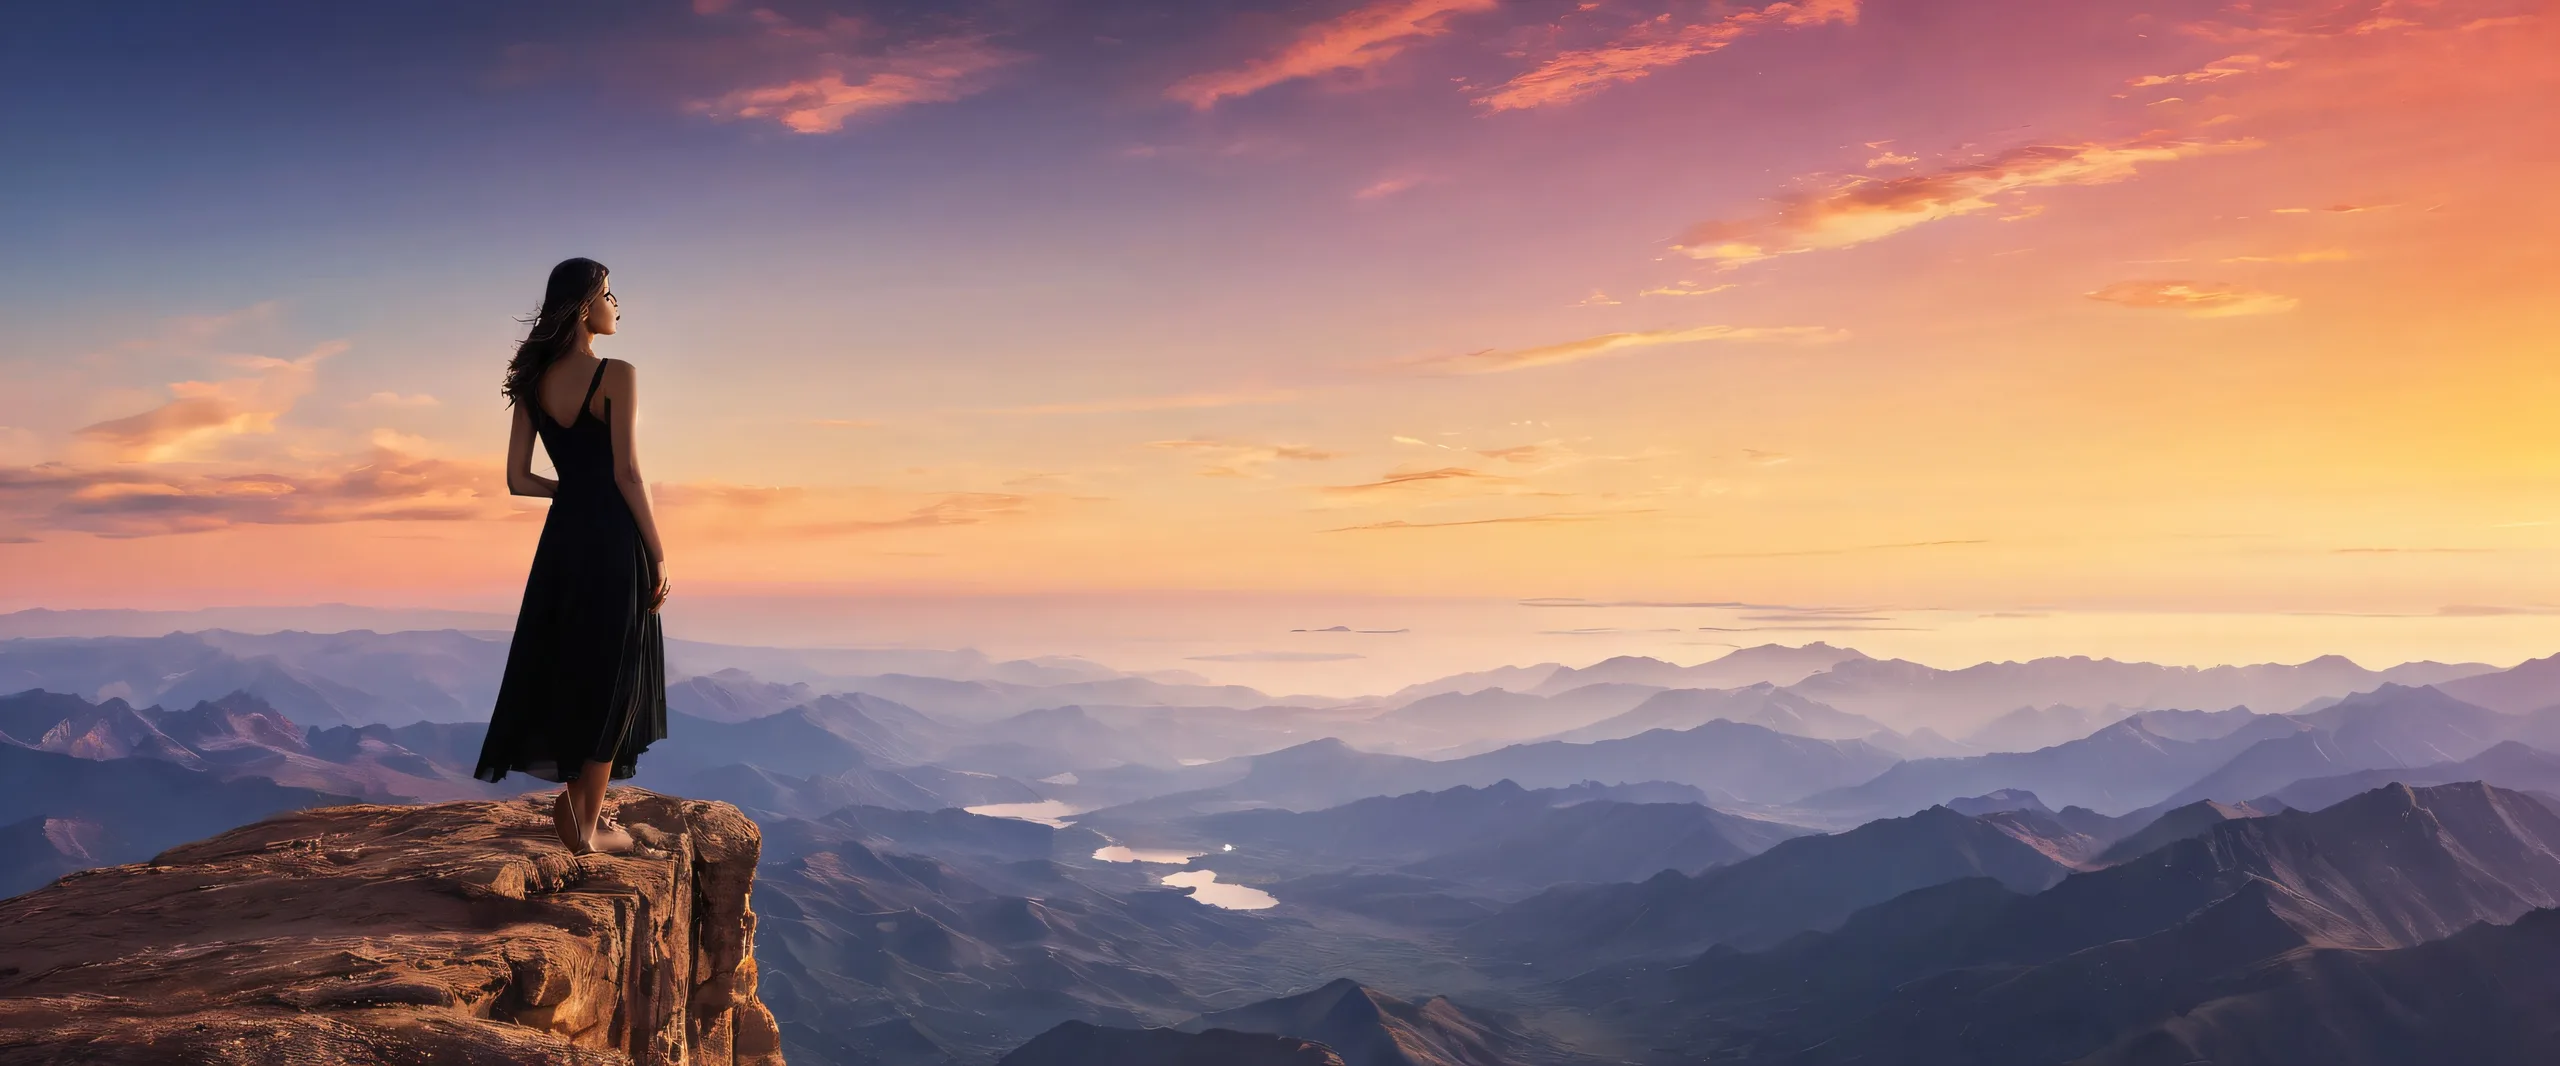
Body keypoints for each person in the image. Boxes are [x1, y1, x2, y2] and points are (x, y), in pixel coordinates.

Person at [473, 257, 671, 854]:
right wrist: (658, 553)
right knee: (616, 672)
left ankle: (583, 812)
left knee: (571, 661)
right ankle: (587, 827)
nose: (617, 306)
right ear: (586, 306)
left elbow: (518, 479)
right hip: (613, 536)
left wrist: (571, 491)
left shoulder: (532, 380)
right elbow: (628, 472)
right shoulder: (616, 373)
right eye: (610, 294)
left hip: (563, 539)